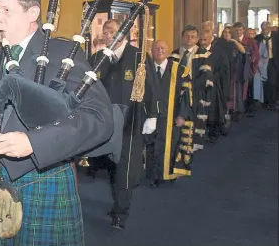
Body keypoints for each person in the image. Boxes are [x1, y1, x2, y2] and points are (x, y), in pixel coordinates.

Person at [0, 0, 113, 246]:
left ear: (33, 13)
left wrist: (34, 142)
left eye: (6, 10)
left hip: (46, 181)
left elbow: (99, 118)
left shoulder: (63, 54)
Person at [86, 18, 157, 230]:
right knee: (110, 165)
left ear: (124, 34)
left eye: (113, 32)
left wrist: (152, 115)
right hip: (105, 122)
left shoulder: (139, 58)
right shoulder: (98, 58)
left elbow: (151, 86)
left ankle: (121, 212)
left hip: (130, 121)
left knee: (125, 166)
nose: (109, 36)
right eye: (106, 32)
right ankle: (118, 200)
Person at [145, 40, 194, 185]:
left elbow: (187, 94)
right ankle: (153, 175)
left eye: (162, 48)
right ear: (151, 52)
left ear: (167, 51)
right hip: (151, 116)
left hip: (171, 115)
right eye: (156, 48)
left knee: (170, 145)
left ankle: (168, 175)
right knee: (151, 144)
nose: (159, 51)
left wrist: (182, 115)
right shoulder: (146, 70)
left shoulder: (179, 70)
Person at [169, 25, 213, 151]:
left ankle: (191, 147)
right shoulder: (175, 54)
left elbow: (205, 76)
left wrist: (190, 87)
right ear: (182, 37)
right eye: (187, 36)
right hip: (177, 93)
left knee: (193, 120)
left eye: (193, 36)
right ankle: (177, 146)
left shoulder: (204, 55)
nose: (189, 38)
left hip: (195, 92)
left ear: (197, 38)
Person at [198, 29, 230, 143]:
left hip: (214, 87)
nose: (202, 42)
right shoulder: (196, 51)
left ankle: (213, 133)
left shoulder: (218, 52)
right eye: (200, 39)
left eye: (205, 40)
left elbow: (223, 71)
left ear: (211, 39)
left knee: (214, 110)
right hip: (199, 86)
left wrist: (211, 79)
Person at [255, 21, 279, 111]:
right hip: (262, 62)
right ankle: (265, 100)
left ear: (269, 28)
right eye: (262, 29)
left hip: (273, 61)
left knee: (272, 82)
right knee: (264, 80)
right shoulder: (258, 38)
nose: (264, 31)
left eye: (265, 29)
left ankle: (273, 101)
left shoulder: (276, 36)